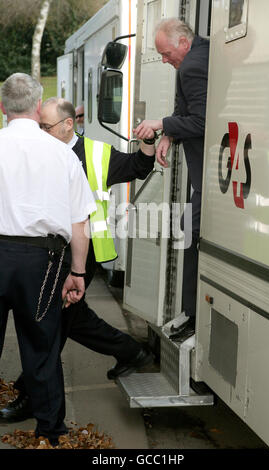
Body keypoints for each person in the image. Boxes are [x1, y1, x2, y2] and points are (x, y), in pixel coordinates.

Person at [0, 97, 156, 423]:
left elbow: (137, 167)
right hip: (46, 255)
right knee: (72, 320)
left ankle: (30, 396)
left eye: (46, 127)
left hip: (81, 256)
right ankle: (131, 352)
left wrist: (149, 142)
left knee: (52, 329)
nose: (40, 132)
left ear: (68, 124)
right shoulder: (38, 150)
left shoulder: (96, 154)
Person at [0, 74, 96, 445]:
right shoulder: (62, 154)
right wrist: (77, 271)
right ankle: (51, 433)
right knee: (41, 347)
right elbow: (78, 221)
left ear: (3, 107)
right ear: (39, 107)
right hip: (43, 261)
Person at [134, 18, 209, 340]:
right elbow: (185, 108)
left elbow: (203, 121)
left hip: (210, 175)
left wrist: (160, 123)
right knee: (186, 229)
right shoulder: (199, 54)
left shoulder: (192, 66)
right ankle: (191, 312)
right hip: (204, 171)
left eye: (166, 54)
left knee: (189, 232)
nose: (164, 61)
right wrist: (170, 135)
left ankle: (193, 314)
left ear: (182, 42)